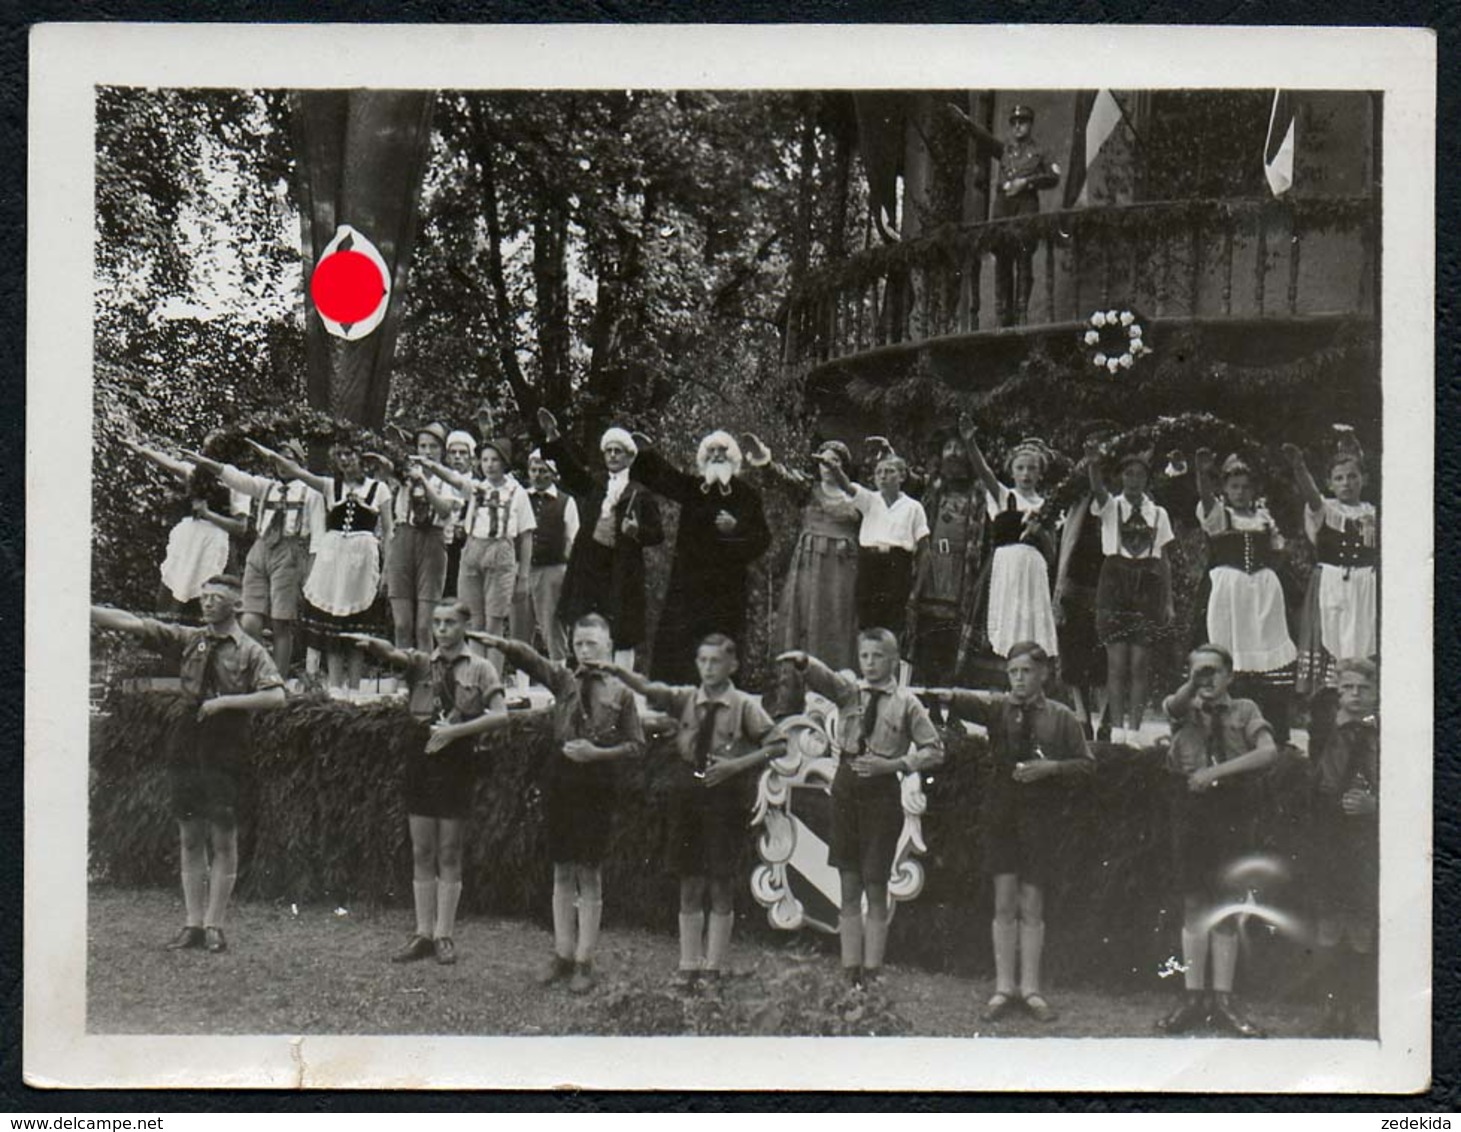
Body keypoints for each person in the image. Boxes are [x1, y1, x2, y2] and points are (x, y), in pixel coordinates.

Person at [91, 575, 285, 952]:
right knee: (190, 834)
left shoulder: (249, 650)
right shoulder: (190, 638)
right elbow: (134, 623)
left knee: (223, 834)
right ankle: (192, 923)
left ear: (237, 605)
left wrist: (227, 702)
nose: (208, 603)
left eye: (217, 598)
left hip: (227, 743)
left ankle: (215, 924)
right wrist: (82, 609)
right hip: (188, 738)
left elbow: (276, 696)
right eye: (204, 597)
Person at [597, 635, 783, 992]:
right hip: (688, 791)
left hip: (724, 796)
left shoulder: (744, 705)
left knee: (720, 880)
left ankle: (713, 967)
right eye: (702, 660)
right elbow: (652, 689)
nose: (708, 668)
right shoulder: (687, 699)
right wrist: (619, 670)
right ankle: (688, 964)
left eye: (716, 661)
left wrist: (735, 766)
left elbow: (777, 743)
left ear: (733, 666)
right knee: (689, 879)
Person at [470, 616, 644, 995]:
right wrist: (502, 644)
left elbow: (636, 745)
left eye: (592, 644)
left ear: (609, 646)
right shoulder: (565, 680)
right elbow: (533, 660)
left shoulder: (622, 692)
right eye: (579, 644)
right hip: (561, 780)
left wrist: (597, 753)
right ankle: (562, 953)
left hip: (597, 784)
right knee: (562, 868)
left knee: (589, 871)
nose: (584, 651)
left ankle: (585, 960)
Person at [933, 641, 1093, 1023]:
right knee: (1004, 902)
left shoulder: (1061, 716)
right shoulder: (999, 710)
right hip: (1001, 814)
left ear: (1043, 674)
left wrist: (1050, 769)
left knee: (1032, 904)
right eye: (1013, 673)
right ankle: (1004, 988)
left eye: (1026, 672)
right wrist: (946, 694)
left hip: (1040, 818)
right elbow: (962, 701)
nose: (1019, 680)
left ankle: (1031, 989)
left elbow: (1086, 765)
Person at [341, 601, 508, 965]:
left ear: (465, 625)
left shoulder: (480, 669)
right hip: (422, 754)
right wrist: (372, 643)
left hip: (457, 757)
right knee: (422, 849)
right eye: (437, 623)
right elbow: (393, 654)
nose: (443, 629)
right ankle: (422, 932)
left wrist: (455, 731)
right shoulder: (421, 663)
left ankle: (444, 934)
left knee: (449, 849)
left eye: (450, 623)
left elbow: (500, 716)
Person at [779, 630, 945, 988]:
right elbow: (825, 679)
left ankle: (873, 969)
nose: (870, 663)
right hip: (846, 786)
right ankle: (849, 969)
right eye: (864, 656)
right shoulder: (849, 692)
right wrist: (805, 663)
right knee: (848, 881)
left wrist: (895, 765)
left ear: (893, 660)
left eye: (878, 656)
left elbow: (934, 749)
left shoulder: (906, 703)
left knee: (875, 882)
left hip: (881, 793)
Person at [1156, 644, 1278, 1039]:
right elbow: (1173, 707)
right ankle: (1193, 998)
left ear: (1230, 676)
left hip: (1233, 812)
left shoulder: (1244, 710)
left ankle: (1223, 998)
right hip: (1190, 811)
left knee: (1226, 904)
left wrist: (1217, 772)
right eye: (1198, 671)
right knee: (1193, 902)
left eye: (1214, 672)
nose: (1206, 679)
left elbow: (1268, 752)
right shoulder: (1184, 707)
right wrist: (1192, 685)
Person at [630, 429, 771, 683]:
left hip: (726, 589)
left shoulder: (746, 495)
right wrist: (646, 453)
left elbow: (762, 539)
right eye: (711, 451)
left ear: (733, 457)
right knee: (682, 646)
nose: (716, 456)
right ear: (704, 458)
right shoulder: (694, 489)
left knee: (722, 643)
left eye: (722, 451)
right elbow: (666, 478)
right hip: (689, 586)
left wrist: (735, 529)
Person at [254, 439, 392, 690]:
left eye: (349, 453)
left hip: (361, 560)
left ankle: (355, 689)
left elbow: (389, 529)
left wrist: (387, 570)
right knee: (333, 625)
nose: (345, 460)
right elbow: (298, 472)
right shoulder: (330, 486)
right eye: (339, 455)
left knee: (357, 626)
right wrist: (271, 454)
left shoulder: (379, 489)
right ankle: (336, 687)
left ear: (361, 456)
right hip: (334, 558)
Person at [536, 410, 663, 669]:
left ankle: (620, 688)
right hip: (589, 564)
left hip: (622, 568)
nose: (613, 456)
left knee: (623, 631)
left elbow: (657, 534)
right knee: (586, 622)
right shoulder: (596, 483)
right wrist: (554, 438)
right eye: (609, 451)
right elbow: (571, 473)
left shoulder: (640, 493)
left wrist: (636, 532)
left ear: (629, 456)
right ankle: (588, 682)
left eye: (619, 451)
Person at [184, 440, 316, 678]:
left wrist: (310, 567)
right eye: (277, 458)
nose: (281, 464)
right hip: (261, 548)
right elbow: (236, 477)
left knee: (280, 622)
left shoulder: (310, 491)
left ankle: (278, 679)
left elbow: (318, 531)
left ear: (299, 462)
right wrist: (206, 463)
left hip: (290, 551)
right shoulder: (266, 486)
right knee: (250, 622)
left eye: (288, 458)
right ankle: (261, 671)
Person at [1194, 449, 1298, 743]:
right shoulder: (1219, 516)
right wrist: (1202, 473)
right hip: (1230, 594)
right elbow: (1204, 499)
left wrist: (1267, 575)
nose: (1240, 492)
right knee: (1230, 653)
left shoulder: (1264, 519)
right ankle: (1228, 730)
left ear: (1254, 490)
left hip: (1262, 596)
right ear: (1224, 489)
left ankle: (1272, 731)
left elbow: (1278, 552)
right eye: (1234, 487)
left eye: (1245, 487)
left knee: (1266, 653)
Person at [1305, 657, 1379, 1036]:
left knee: (1361, 920)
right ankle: (1331, 1006)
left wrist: (1376, 805)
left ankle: (1354, 1005)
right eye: (1347, 688)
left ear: (1376, 693)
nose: (1355, 696)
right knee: (1329, 918)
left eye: (1363, 689)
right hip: (1329, 834)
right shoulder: (1325, 730)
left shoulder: (1383, 736)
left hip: (1367, 838)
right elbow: (1318, 781)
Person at [417, 438, 535, 674]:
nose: (490, 465)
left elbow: (526, 534)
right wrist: (429, 466)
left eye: (495, 460)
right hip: (472, 550)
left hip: (501, 551)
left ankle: (492, 678)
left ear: (505, 463)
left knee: (494, 621)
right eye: (485, 460)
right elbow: (452, 477)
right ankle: (473, 677)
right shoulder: (476, 487)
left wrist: (523, 577)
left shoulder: (517, 492)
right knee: (473, 621)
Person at [1086, 441, 1175, 745]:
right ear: (1121, 477)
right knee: (1116, 662)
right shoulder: (1112, 506)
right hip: (1114, 582)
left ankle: (1134, 732)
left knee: (1139, 663)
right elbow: (1097, 489)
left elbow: (1163, 560)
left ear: (1147, 479)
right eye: (1128, 474)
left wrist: (1169, 600)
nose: (1134, 480)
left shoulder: (1158, 513)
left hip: (1147, 585)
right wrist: (1094, 464)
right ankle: (1117, 730)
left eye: (1140, 475)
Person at [755, 437, 862, 673]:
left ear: (844, 465)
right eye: (823, 461)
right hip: (811, 565)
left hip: (843, 570)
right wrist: (765, 461)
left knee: (839, 620)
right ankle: (799, 687)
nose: (828, 466)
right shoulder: (808, 489)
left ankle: (838, 682)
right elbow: (782, 478)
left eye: (834, 461)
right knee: (806, 616)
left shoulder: (856, 495)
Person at [958, 419, 1059, 668]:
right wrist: (970, 443)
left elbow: (1053, 554)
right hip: (1005, 567)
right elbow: (984, 472)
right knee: (1003, 619)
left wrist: (1039, 532)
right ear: (1012, 471)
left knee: (1029, 623)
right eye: (1021, 468)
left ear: (1040, 473)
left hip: (1033, 570)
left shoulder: (1047, 506)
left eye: (1032, 468)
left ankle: (1029, 671)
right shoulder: (1004, 496)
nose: (1026, 474)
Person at [1284, 434, 1378, 695]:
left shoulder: (1373, 513)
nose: (1346, 483)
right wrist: (1299, 467)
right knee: (1331, 639)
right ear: (1330, 483)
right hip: (1331, 582)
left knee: (1363, 641)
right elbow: (1312, 495)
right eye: (1339, 478)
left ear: (1364, 480)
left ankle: (1361, 702)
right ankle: (1325, 706)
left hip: (1365, 586)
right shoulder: (1325, 509)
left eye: (1352, 476)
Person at [124, 438, 249, 621]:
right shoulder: (195, 473)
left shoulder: (237, 481)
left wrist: (207, 515)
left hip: (216, 543)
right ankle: (171, 642)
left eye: (209, 451)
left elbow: (241, 528)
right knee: (176, 589)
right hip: (189, 541)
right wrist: (139, 449)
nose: (203, 455)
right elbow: (168, 463)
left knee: (213, 596)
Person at [907, 429, 986, 687]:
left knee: (952, 636)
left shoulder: (978, 492)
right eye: (948, 447)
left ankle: (949, 701)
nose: (953, 453)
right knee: (927, 631)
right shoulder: (933, 488)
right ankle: (926, 695)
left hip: (962, 572)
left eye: (959, 447)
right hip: (931, 569)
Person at [1054, 423, 1118, 739]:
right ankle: (1082, 716)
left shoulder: (1119, 491)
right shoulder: (1075, 494)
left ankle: (1105, 716)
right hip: (1078, 579)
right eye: (1093, 444)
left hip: (1107, 581)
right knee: (1075, 649)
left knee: (1105, 652)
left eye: (1104, 444)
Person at [825, 452, 929, 642]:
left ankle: (890, 669)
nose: (882, 476)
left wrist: (916, 591)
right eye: (878, 472)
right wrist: (835, 469)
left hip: (897, 567)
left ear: (902, 476)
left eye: (889, 471)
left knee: (892, 626)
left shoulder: (914, 507)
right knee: (867, 624)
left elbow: (924, 551)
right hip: (870, 566)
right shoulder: (869, 500)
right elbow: (847, 487)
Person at [383, 423, 458, 653]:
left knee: (425, 626)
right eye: (422, 446)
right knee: (402, 623)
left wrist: (424, 480)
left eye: (433, 446)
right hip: (404, 538)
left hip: (432, 541)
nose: (427, 451)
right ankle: (405, 679)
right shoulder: (404, 474)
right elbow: (387, 465)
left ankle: (426, 679)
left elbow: (445, 510)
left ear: (442, 450)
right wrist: (397, 451)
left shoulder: (448, 478)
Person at [991, 104, 1060, 327]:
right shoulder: (1006, 151)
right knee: (1002, 261)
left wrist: (1027, 182)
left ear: (1030, 125)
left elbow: (1053, 176)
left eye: (1022, 122)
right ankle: (1004, 315)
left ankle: (1022, 312)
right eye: (1014, 123)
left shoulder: (1039, 152)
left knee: (1023, 259)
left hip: (1026, 206)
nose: (1018, 126)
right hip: (1003, 208)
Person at [514, 448, 581, 663]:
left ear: (553, 473)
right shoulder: (520, 497)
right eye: (533, 470)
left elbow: (573, 538)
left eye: (543, 471)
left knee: (553, 627)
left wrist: (569, 575)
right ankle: (523, 691)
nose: (537, 475)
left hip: (552, 570)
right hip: (521, 569)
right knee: (520, 628)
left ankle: (558, 683)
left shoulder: (565, 501)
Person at [441, 430, 477, 599]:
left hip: (467, 548)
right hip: (441, 545)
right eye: (453, 453)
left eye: (463, 453)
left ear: (471, 458)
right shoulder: (438, 482)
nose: (457, 457)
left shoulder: (477, 484)